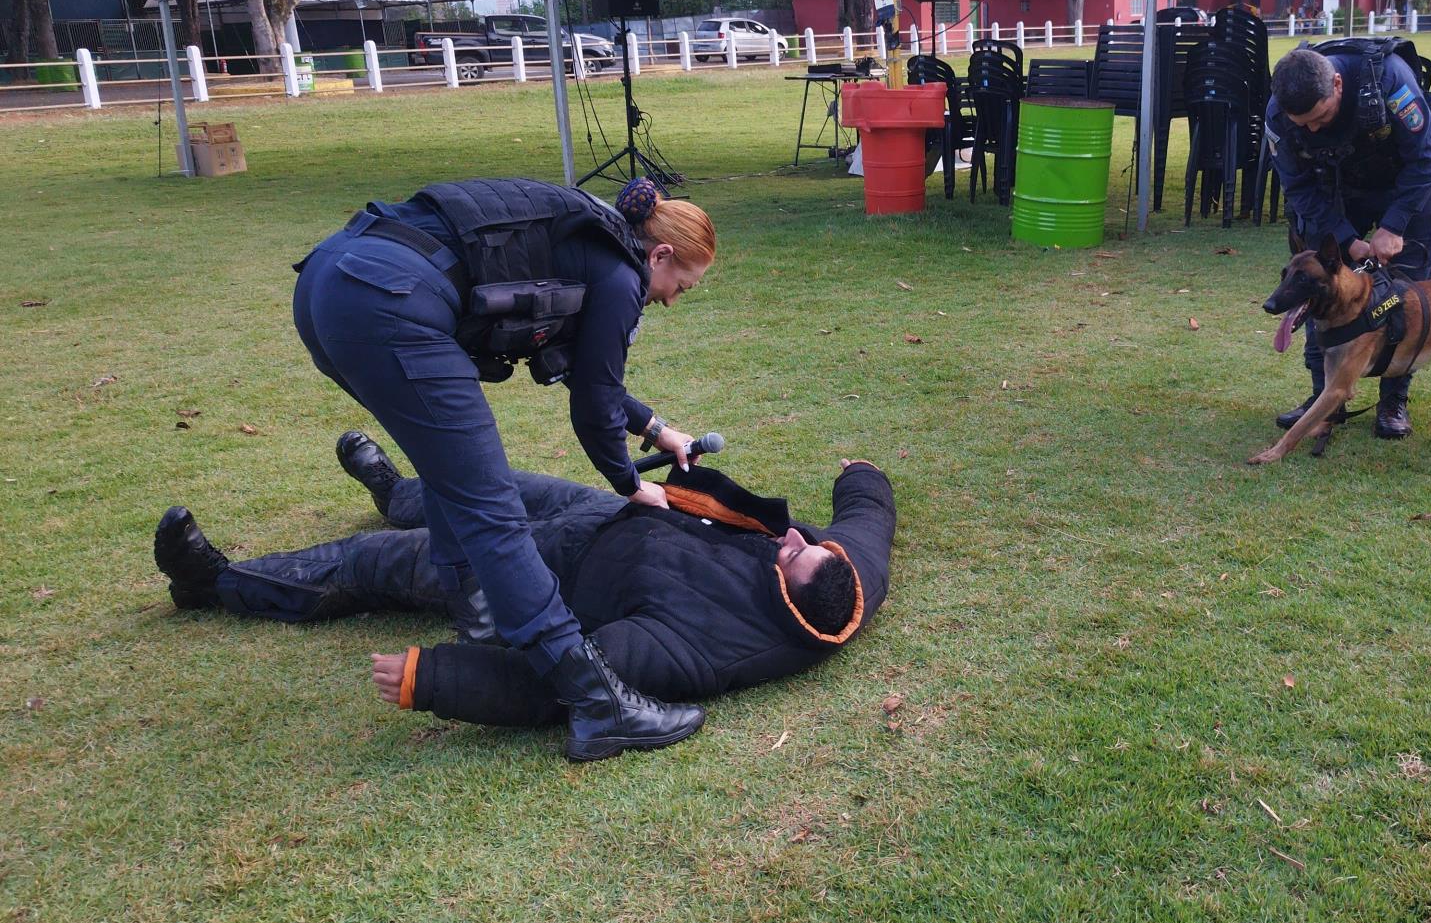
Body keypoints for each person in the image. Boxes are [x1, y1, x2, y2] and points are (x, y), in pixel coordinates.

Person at [283, 175, 716, 760]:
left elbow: (581, 367)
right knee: (491, 510)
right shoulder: (621, 274)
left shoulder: (587, 235)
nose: (669, 300)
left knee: (449, 474)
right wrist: (630, 483)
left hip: (331, 282)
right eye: (679, 287)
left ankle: (481, 622)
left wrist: (655, 429)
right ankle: (597, 703)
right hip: (391, 304)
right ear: (659, 254)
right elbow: (593, 406)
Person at [153, 435, 896, 746]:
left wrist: (433, 678)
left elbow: (569, 682)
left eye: (792, 555)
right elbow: (867, 524)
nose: (792, 537)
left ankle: (215, 584)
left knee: (374, 563)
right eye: (808, 542)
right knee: (481, 480)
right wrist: (861, 473)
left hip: (543, 567)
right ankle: (394, 489)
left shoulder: (700, 649)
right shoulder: (842, 575)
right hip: (611, 511)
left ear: (786, 596)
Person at [1265, 39, 1431, 439]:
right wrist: (1347, 239)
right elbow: (1298, 188)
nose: (1313, 129)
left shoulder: (1387, 79)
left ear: (1337, 84)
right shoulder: (1279, 115)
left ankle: (1393, 401)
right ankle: (1325, 399)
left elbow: (1428, 156)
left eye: (1319, 117)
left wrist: (1394, 225)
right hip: (1338, 191)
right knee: (1321, 291)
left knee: (1405, 294)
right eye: (1303, 124)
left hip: (1408, 188)